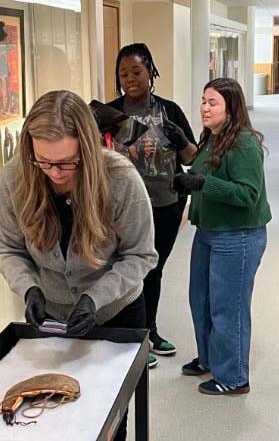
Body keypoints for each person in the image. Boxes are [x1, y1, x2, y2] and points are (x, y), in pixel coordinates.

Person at [0, 90, 156, 441]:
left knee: (108, 421)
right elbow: (7, 248)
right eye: (43, 161)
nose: (54, 173)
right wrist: (29, 288)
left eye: (67, 162)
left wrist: (95, 298)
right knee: (50, 419)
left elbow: (141, 255)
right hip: (49, 318)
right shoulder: (14, 180)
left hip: (115, 314)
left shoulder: (121, 180)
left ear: (88, 149)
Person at [173, 78, 270, 395]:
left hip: (237, 236)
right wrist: (187, 181)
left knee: (228, 306)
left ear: (231, 108)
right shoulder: (212, 138)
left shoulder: (243, 143)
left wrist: (202, 184)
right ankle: (210, 358)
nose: (204, 107)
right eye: (203, 100)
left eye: (212, 102)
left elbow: (248, 194)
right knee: (200, 299)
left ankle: (233, 376)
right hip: (208, 232)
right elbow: (203, 172)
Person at [107, 43, 198, 367]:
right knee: (126, 269)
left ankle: (149, 332)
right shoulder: (109, 112)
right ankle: (131, 336)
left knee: (153, 270)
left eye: (136, 72)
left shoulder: (169, 110)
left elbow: (193, 158)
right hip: (121, 207)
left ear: (150, 72)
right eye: (123, 74)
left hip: (165, 205)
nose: (129, 79)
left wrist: (181, 141)